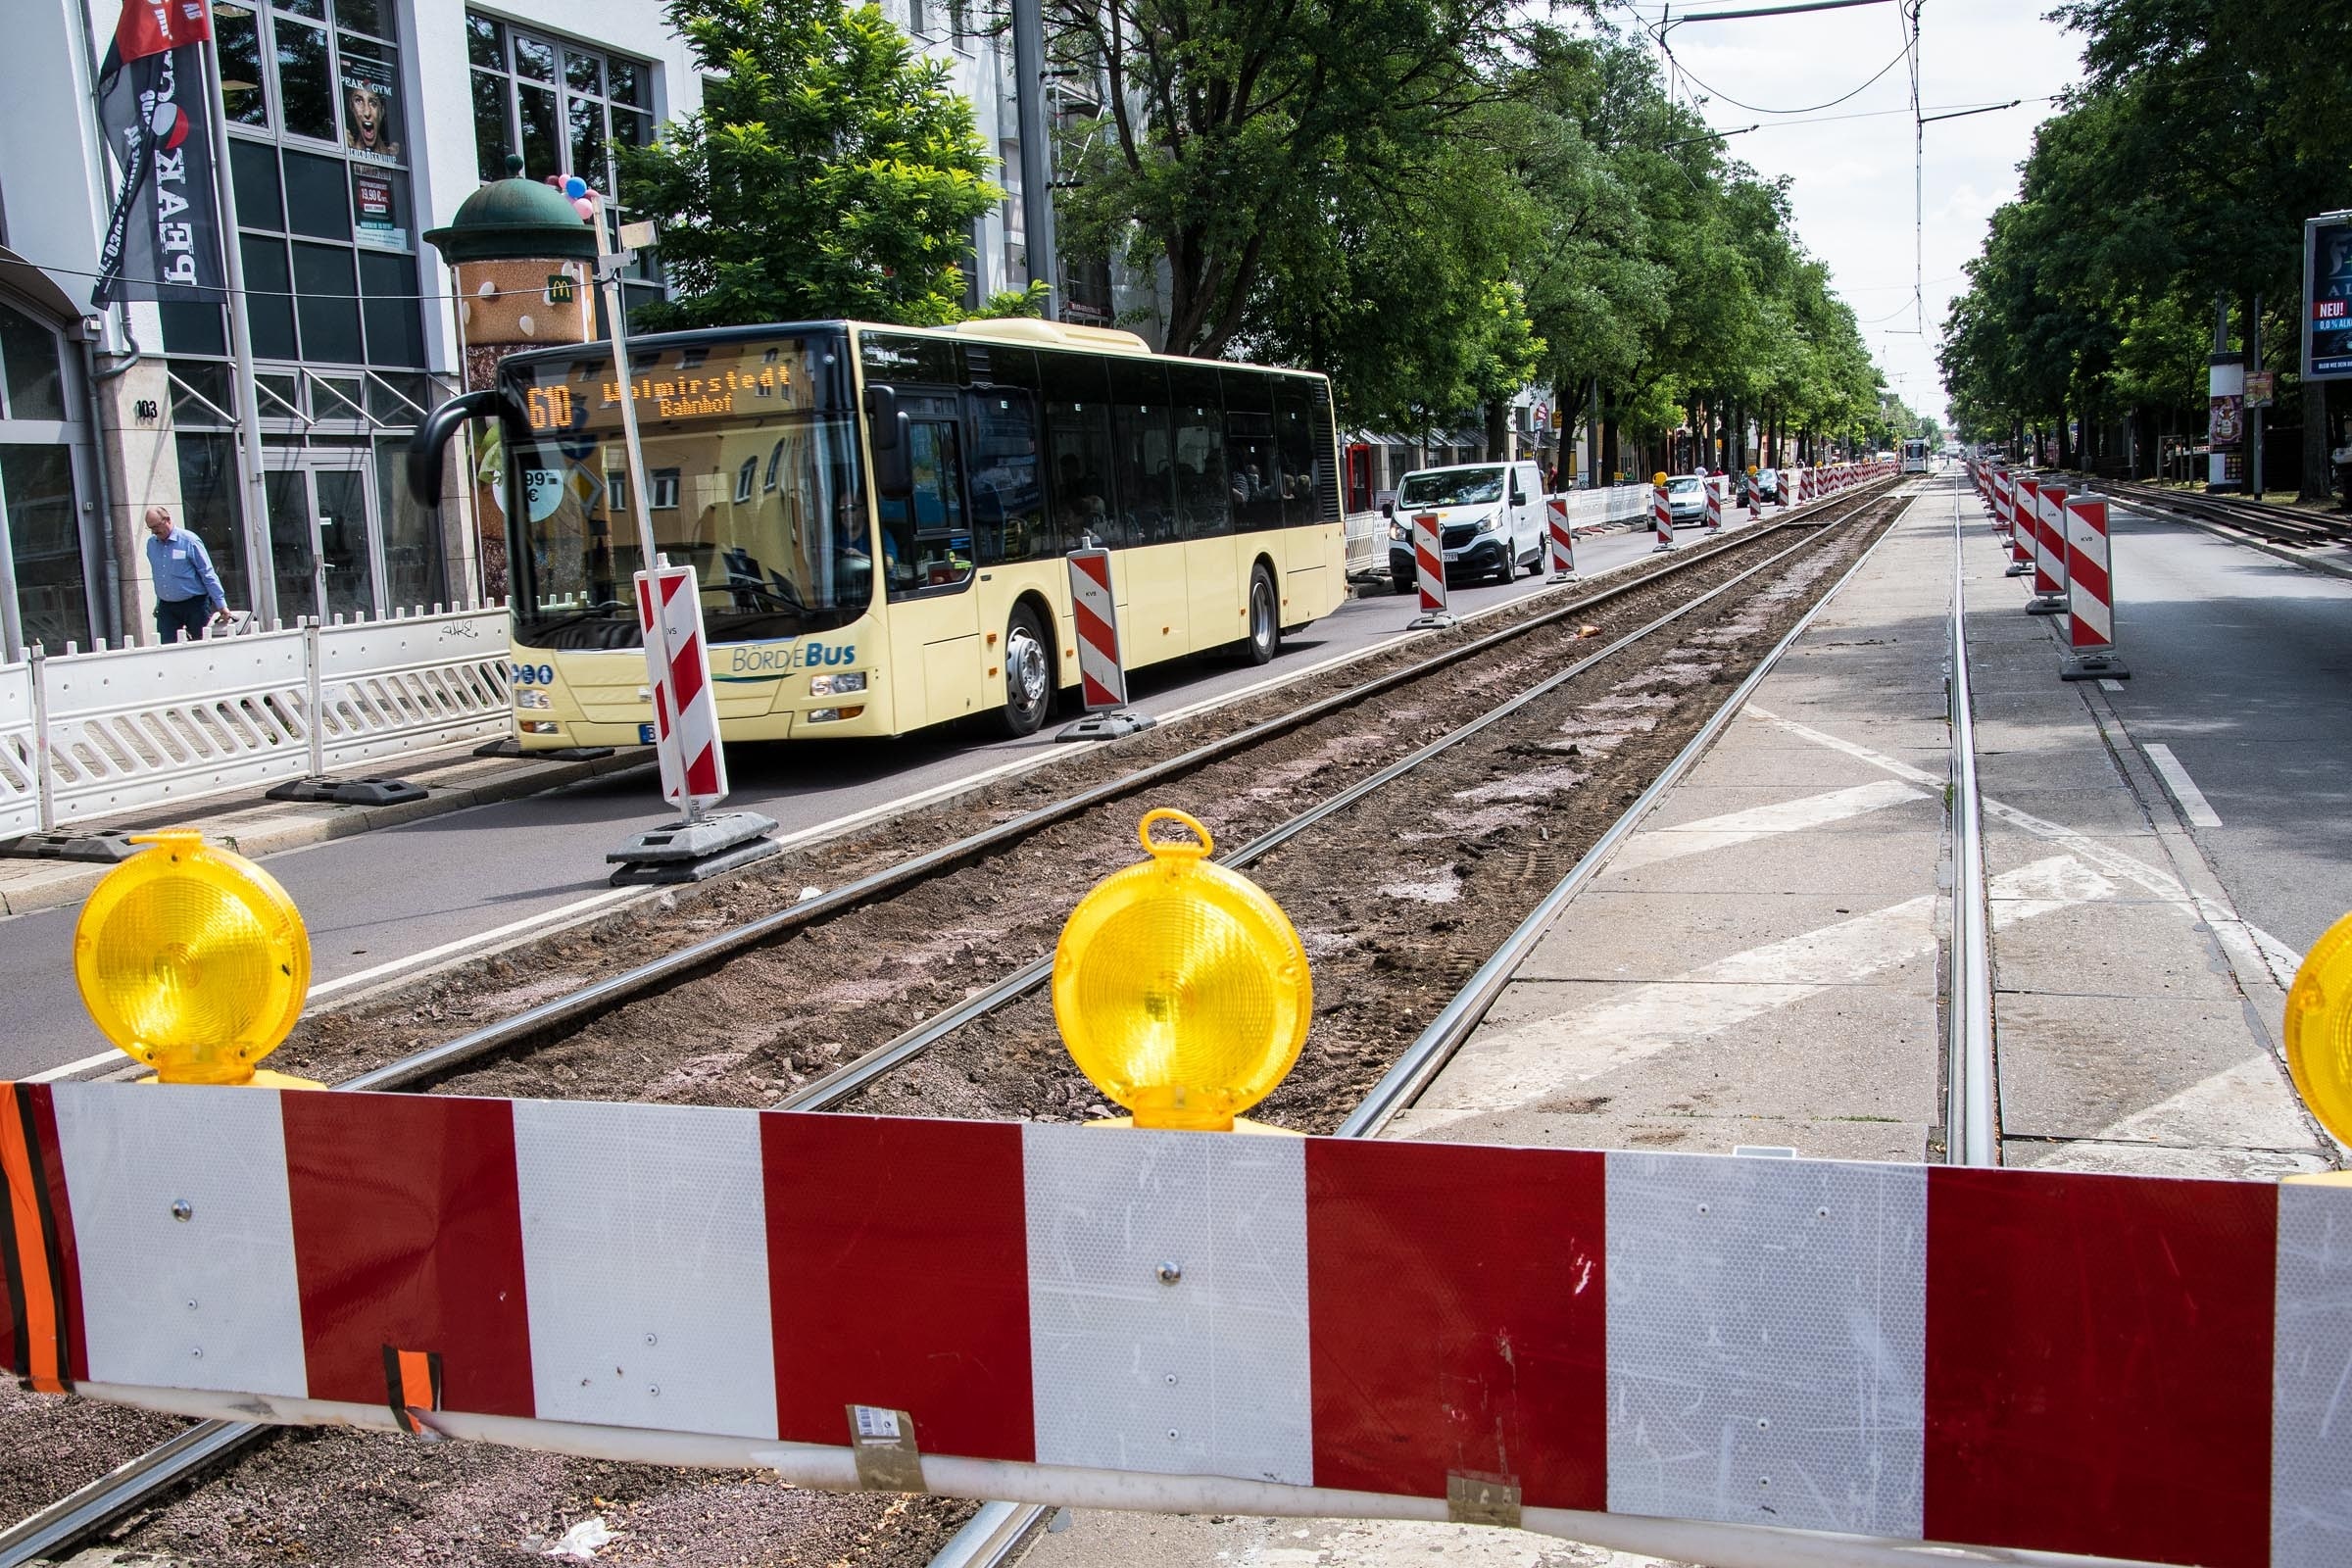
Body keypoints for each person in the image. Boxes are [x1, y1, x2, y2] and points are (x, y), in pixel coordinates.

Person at [143, 506, 228, 643]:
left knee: (202, 644)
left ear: (167, 520)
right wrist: (159, 601)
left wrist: (221, 604)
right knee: (167, 648)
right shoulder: (151, 545)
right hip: (167, 606)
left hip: (194, 604)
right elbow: (160, 575)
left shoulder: (189, 540)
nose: (154, 532)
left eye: (156, 526)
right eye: (150, 528)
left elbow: (207, 573)